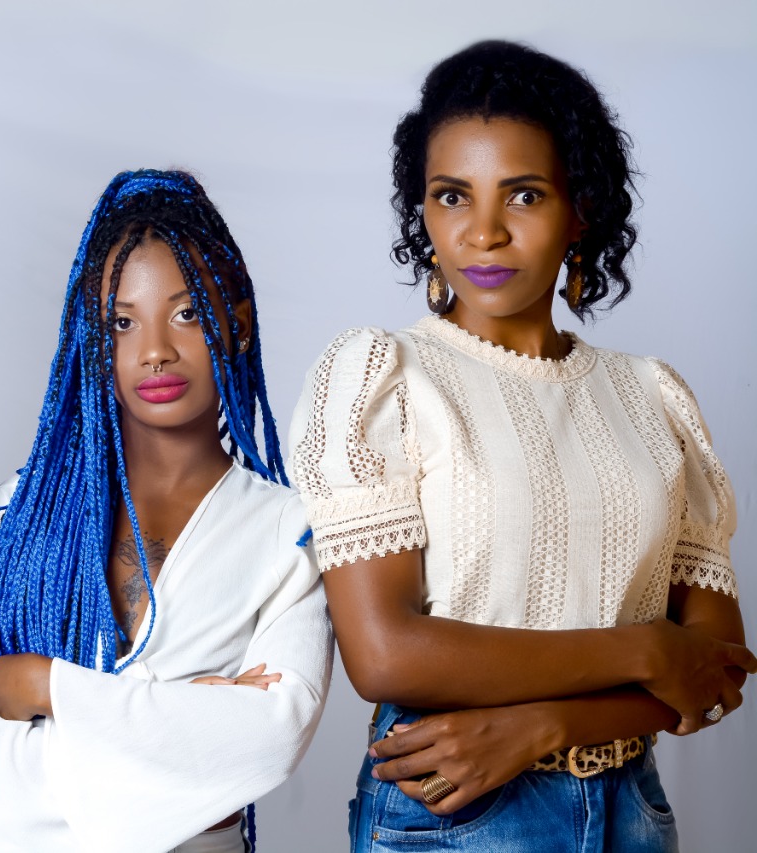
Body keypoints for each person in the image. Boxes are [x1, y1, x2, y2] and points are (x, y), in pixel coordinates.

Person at [288, 40, 754, 851]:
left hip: (632, 810)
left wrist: (546, 724)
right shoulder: (383, 377)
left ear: (580, 210)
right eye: (451, 196)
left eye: (525, 194)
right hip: (454, 812)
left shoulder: (653, 396)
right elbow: (384, 653)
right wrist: (645, 647)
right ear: (422, 212)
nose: (484, 232)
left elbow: (715, 667)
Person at [0, 169, 332, 852]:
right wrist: (180, 723)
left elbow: (270, 735)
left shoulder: (290, 531)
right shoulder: (16, 519)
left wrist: (46, 686)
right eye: (122, 322)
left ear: (235, 325)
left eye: (186, 313)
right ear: (95, 344)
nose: (155, 349)